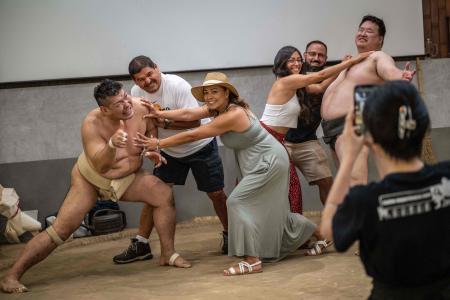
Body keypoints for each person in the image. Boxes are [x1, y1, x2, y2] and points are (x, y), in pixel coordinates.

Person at [1, 79, 190, 294]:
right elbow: (100, 164)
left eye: (126, 97)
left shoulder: (140, 106)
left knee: (163, 195)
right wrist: (111, 145)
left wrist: (150, 150)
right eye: (119, 103)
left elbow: (151, 130)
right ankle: (11, 275)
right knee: (60, 231)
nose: (127, 104)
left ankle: (168, 254)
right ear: (105, 109)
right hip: (91, 179)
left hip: (127, 176)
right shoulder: (91, 123)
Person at [136, 72, 321, 275]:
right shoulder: (218, 110)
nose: (209, 96)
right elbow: (189, 114)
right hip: (257, 160)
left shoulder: (234, 114)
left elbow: (194, 133)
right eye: (206, 92)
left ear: (227, 93)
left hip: (269, 160)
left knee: (236, 202)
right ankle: (323, 236)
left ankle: (251, 260)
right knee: (273, 211)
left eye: (215, 91)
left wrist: (160, 143)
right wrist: (160, 114)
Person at [320, 81, 450, 299]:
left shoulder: (365, 200)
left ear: (368, 136)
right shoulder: (446, 177)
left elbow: (328, 229)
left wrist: (350, 156)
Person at [112, 56, 229, 264]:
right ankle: (141, 243)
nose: (147, 81)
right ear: (135, 81)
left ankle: (232, 235)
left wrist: (164, 123)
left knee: (216, 193)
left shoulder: (177, 85)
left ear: (157, 69)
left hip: (200, 145)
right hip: (168, 149)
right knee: (155, 194)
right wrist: (151, 144)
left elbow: (195, 122)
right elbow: (147, 123)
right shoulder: (135, 93)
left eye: (149, 74)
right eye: (140, 79)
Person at [261, 45, 370, 213]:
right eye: (291, 60)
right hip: (272, 141)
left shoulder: (297, 82)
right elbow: (320, 75)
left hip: (295, 141)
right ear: (281, 63)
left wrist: (343, 70)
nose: (296, 63)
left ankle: (329, 224)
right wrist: (352, 61)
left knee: (308, 186)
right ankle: (289, 232)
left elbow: (319, 86)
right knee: (282, 189)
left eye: (298, 60)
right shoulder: (287, 81)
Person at [321, 15, 416, 186]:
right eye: (361, 29)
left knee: (356, 181)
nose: (363, 33)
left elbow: (389, 70)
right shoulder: (351, 63)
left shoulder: (378, 57)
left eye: (369, 31)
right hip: (331, 130)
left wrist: (400, 76)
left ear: (380, 39)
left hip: (351, 124)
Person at [284, 40, 334, 206]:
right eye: (312, 54)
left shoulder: (329, 77)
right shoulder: (294, 73)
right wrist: (344, 66)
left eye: (321, 55)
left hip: (309, 142)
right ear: (304, 56)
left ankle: (331, 224)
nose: (316, 58)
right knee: (283, 188)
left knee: (327, 182)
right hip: (282, 142)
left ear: (325, 59)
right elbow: (317, 85)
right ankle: (286, 226)